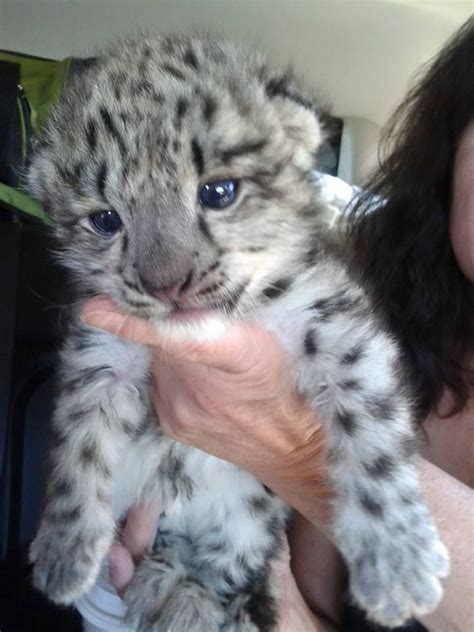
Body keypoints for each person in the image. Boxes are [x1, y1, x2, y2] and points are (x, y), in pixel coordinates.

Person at [81, 18, 473, 632]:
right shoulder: (367, 263)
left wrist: (296, 449)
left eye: (218, 191)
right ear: (452, 148)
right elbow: (303, 611)